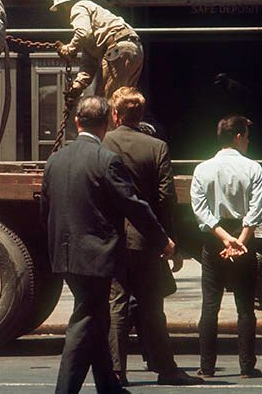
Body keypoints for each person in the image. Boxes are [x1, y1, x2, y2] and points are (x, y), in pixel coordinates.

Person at [41, 95, 174, 393]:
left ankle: (109, 386)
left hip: (64, 254)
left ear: (77, 122)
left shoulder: (55, 160)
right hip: (96, 256)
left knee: (97, 317)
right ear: (106, 124)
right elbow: (134, 206)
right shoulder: (105, 160)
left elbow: (46, 210)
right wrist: (162, 239)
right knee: (85, 320)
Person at [102, 87, 202, 387]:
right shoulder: (156, 147)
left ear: (115, 114)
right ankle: (165, 367)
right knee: (152, 307)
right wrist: (168, 240)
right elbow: (165, 197)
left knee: (117, 304)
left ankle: (117, 370)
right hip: (146, 239)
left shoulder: (103, 143)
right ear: (140, 115)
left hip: (113, 237)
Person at [190, 115, 262, 379]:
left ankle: (207, 366)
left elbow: (200, 210)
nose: (247, 141)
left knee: (210, 304)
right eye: (246, 136)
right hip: (243, 236)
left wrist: (223, 238)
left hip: (214, 238)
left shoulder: (202, 169)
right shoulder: (254, 168)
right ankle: (246, 366)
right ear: (237, 137)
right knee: (245, 306)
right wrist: (239, 241)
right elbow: (255, 210)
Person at [49, 0, 143, 107]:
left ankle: (111, 126)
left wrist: (69, 49)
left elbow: (83, 33)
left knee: (107, 103)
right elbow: (89, 62)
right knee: (126, 101)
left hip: (117, 49)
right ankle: (127, 125)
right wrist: (77, 86)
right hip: (132, 48)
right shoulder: (96, 27)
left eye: (61, 10)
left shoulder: (78, 7)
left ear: (65, 5)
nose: (62, 15)